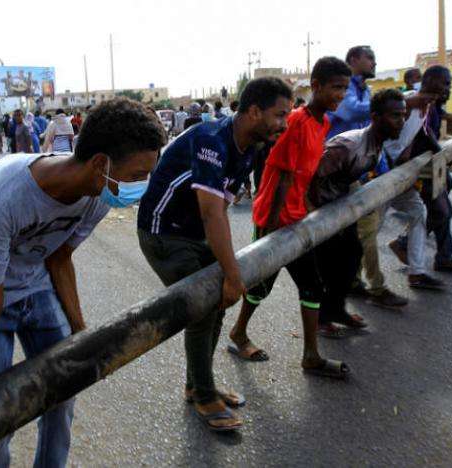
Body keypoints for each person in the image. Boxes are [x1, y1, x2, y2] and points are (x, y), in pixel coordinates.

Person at [0, 98, 166, 467]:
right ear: (100, 164)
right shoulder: (2, 203)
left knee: (64, 387)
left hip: (35, 280)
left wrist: (80, 333)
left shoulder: (98, 194)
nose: (142, 185)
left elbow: (59, 258)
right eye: (138, 175)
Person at [137, 77, 293, 432]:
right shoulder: (212, 140)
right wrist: (233, 275)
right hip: (162, 234)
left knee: (219, 302)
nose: (284, 123)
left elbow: (220, 207)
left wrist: (228, 272)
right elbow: (212, 213)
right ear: (254, 112)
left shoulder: (250, 145)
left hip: (194, 234)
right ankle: (204, 394)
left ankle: (198, 384)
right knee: (202, 310)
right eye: (280, 115)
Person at [228, 57, 354, 377]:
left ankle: (311, 356)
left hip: (297, 217)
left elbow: (307, 174)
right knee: (260, 285)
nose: (341, 95)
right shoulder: (295, 121)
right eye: (336, 87)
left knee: (312, 286)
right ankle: (238, 333)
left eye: (345, 88)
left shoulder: (322, 124)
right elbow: (283, 175)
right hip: (274, 217)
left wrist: (311, 209)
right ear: (316, 86)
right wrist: (271, 228)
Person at [307, 90, 414, 340]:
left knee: (352, 256)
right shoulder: (348, 145)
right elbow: (310, 179)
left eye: (404, 115)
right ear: (375, 117)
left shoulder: (376, 145)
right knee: (329, 265)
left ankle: (337, 310)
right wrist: (318, 221)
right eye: (395, 116)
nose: (401, 121)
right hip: (319, 209)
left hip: (339, 205)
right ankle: (322, 320)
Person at [391, 65, 452, 274]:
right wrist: (442, 154)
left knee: (442, 204)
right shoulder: (415, 100)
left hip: (429, 162)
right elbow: (422, 134)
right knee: (441, 210)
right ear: (431, 81)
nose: (448, 88)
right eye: (446, 83)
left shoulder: (431, 103)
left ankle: (440, 255)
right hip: (420, 165)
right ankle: (415, 250)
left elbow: (432, 125)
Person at [326, 45, 376, 138]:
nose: (375, 63)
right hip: (336, 145)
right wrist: (385, 105)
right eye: (370, 58)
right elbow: (351, 112)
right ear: (354, 61)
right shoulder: (338, 85)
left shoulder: (366, 90)